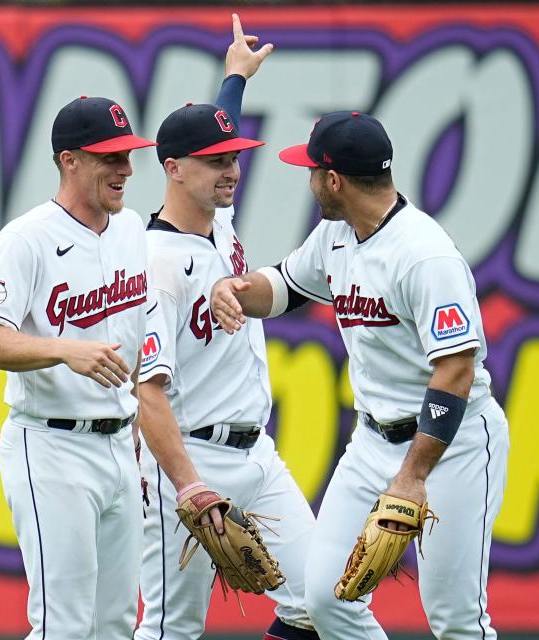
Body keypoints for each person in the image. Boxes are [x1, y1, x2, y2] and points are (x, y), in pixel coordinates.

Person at [209, 111, 510, 639]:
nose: (306, 180)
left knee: (456, 618)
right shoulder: (337, 235)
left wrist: (414, 475)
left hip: (451, 445)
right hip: (373, 440)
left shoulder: (423, 255)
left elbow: (457, 368)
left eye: (310, 170)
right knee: (324, 598)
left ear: (333, 180)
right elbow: (283, 287)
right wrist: (230, 288)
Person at [133, 16, 327, 640]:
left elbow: (218, 128)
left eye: (234, 159)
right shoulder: (155, 262)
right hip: (186, 461)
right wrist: (190, 488)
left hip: (257, 455)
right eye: (213, 162)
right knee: (170, 629)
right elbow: (146, 393)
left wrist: (235, 80)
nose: (230, 170)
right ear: (172, 169)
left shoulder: (216, 221)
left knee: (317, 599)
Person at [0, 94, 156, 638]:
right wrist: (63, 348)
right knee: (63, 626)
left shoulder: (131, 229)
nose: (124, 168)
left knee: (116, 624)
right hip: (52, 447)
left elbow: (133, 337)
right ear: (69, 160)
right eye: (109, 156)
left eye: (127, 154)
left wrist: (137, 423)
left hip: (120, 445)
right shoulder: (26, 239)